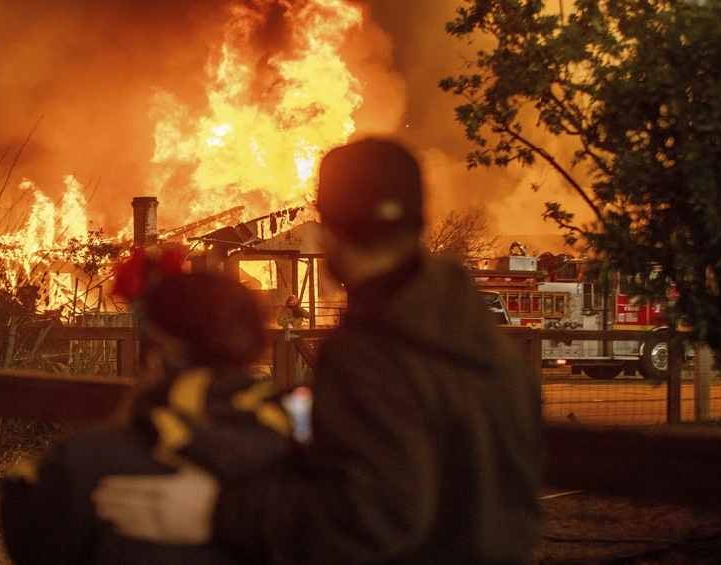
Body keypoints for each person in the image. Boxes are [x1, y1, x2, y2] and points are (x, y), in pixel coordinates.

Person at [93, 139, 543, 564]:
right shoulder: (482, 339)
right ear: (419, 222)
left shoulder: (375, 351)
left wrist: (215, 510)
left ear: (330, 228)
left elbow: (371, 515)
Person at [0, 260, 294, 565]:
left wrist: (124, 419)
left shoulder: (83, 464)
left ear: (155, 356)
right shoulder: (304, 464)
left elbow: (29, 533)